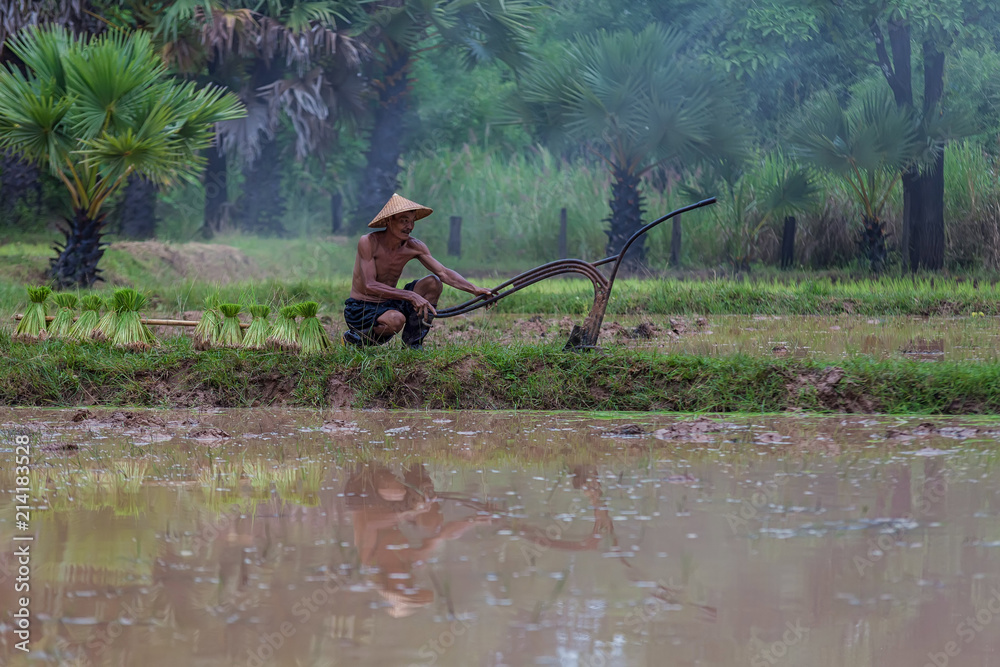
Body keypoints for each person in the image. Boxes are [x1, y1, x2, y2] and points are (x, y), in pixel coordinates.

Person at [342, 193, 494, 349]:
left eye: (412, 221)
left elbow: (444, 273)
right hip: (363, 307)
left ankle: (412, 345)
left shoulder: (414, 246)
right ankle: (354, 339)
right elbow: (370, 285)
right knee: (396, 320)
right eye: (404, 221)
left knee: (433, 282)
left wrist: (475, 289)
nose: (409, 227)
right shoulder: (368, 242)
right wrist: (411, 295)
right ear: (388, 221)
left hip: (390, 302)